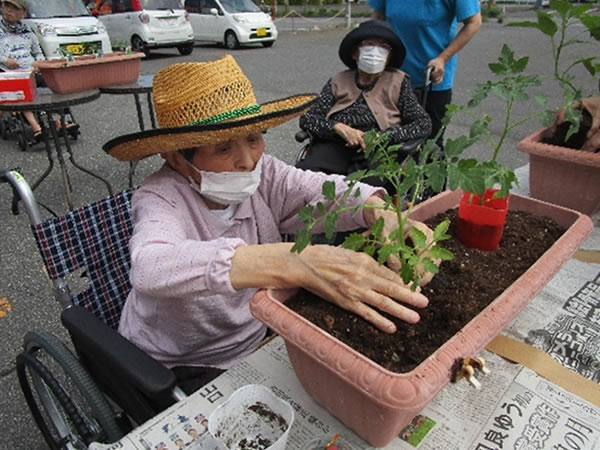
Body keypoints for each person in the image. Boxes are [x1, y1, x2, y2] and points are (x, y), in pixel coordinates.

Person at [103, 55, 437, 394]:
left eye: (253, 138)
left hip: (259, 327)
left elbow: (315, 189)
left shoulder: (265, 174)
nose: (248, 161)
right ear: (177, 158)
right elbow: (151, 266)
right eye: (223, 148)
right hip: (186, 361)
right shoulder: (160, 197)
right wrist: (294, 261)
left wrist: (376, 210)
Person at [297, 20, 432, 189]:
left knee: (367, 192)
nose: (375, 52)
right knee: (305, 177)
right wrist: (337, 127)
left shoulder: (398, 81)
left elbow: (423, 123)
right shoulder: (338, 80)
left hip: (378, 150)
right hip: (336, 143)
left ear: (389, 56)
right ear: (355, 52)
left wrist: (383, 137)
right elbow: (308, 118)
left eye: (383, 46)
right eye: (368, 44)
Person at [369, 0, 481, 145]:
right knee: (389, 139)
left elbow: (474, 23)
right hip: (391, 76)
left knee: (430, 143)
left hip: (431, 78)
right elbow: (377, 18)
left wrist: (442, 58)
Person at [0, 0, 44, 140]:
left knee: (52, 84)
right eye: (7, 6)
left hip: (29, 70)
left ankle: (57, 120)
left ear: (23, 13)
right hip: (7, 72)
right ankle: (36, 126)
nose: (8, 10)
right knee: (21, 88)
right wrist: (4, 60)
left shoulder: (27, 30)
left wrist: (39, 62)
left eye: (14, 8)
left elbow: (38, 52)